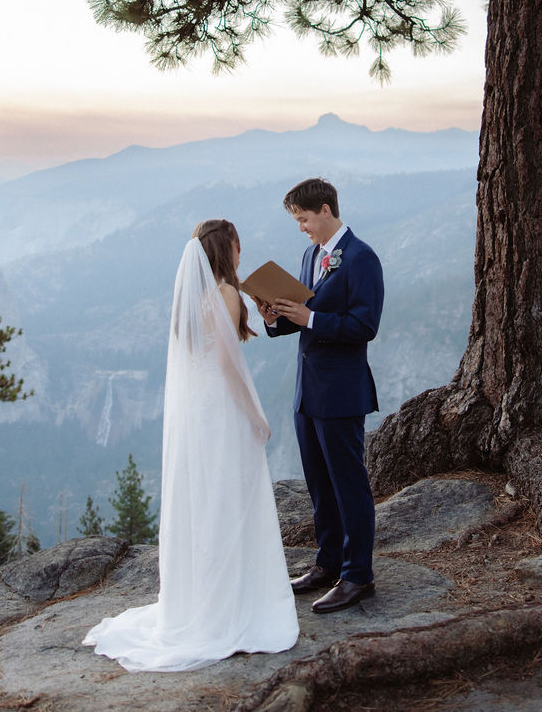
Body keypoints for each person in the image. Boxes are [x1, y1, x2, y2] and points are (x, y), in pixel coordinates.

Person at [83, 220, 298, 672]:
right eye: (240, 245)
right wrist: (256, 414)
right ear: (229, 248)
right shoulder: (225, 294)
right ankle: (233, 604)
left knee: (207, 499)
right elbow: (226, 363)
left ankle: (203, 599)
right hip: (222, 408)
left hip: (198, 411)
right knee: (230, 499)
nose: (243, 253)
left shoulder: (198, 297)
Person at [262, 179, 384, 614]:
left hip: (341, 391)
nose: (301, 228)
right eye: (297, 220)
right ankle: (327, 563)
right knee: (319, 484)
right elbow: (304, 315)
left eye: (304, 219)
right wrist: (277, 317)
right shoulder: (311, 255)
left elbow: (365, 326)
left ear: (327, 210)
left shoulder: (361, 258)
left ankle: (357, 575)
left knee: (348, 485)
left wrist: (312, 318)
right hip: (307, 391)